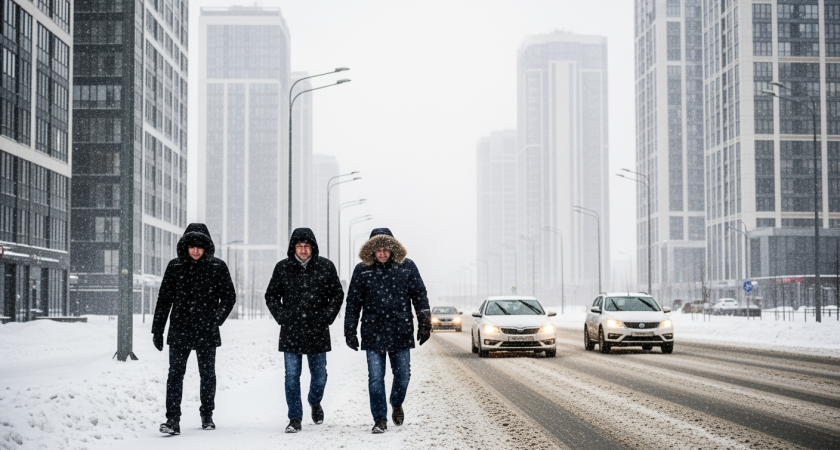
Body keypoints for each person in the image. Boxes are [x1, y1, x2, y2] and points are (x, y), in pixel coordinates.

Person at [344, 228, 431, 434]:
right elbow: (353, 303)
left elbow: (420, 295)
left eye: (385, 249)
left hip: (400, 329)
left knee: (403, 376)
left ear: (392, 249)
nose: (382, 253)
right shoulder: (362, 270)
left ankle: (396, 401)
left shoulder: (407, 267)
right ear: (371, 250)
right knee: (375, 378)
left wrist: (425, 323)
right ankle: (380, 419)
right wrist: (350, 330)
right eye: (378, 249)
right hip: (372, 330)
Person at [151, 223, 236, 435]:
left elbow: (229, 297)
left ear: (206, 247)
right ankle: (172, 420)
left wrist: (215, 319)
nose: (196, 250)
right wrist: (157, 330)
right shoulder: (175, 267)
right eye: (192, 246)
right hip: (180, 330)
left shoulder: (218, 267)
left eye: (200, 246)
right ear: (185, 247)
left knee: (207, 374)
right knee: (175, 375)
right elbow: (164, 300)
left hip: (207, 330)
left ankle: (207, 414)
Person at [265, 228, 344, 433]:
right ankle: (295, 418)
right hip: (291, 330)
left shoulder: (325, 267)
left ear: (312, 247)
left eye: (306, 246)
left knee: (319, 376)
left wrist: (327, 316)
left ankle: (314, 401)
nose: (303, 250)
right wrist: (282, 316)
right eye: (299, 246)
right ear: (293, 248)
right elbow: (271, 295)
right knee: (291, 376)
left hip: (317, 329)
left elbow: (337, 294)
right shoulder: (282, 268)